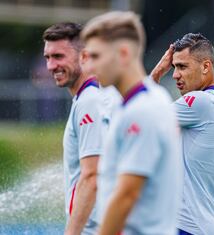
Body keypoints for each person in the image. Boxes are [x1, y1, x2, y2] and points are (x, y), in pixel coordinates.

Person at [81, 11, 182, 235]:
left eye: (96, 57)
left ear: (124, 54)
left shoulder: (142, 110)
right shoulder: (147, 99)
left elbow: (127, 195)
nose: (88, 67)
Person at [151, 33, 214, 235]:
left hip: (184, 227)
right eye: (173, 67)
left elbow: (137, 116)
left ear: (205, 67)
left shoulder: (199, 102)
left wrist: (158, 72)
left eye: (182, 67)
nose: (175, 74)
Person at [43, 22, 119, 234]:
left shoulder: (89, 102)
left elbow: (91, 176)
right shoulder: (102, 94)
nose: (50, 66)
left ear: (84, 56)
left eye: (58, 56)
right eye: (47, 58)